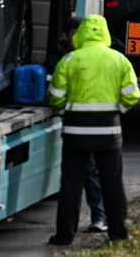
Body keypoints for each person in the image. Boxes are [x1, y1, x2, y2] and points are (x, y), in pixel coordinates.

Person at [47, 14, 140, 246]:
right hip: (108, 133)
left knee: (71, 184)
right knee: (112, 183)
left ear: (80, 34)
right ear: (105, 33)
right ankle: (118, 232)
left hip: (75, 132)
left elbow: (55, 97)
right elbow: (132, 95)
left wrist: (66, 107)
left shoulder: (69, 60)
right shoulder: (119, 60)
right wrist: (116, 109)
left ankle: (65, 235)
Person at [51, 15, 107, 234]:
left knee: (88, 174)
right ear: (65, 36)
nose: (76, 40)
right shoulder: (60, 57)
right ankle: (96, 219)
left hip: (80, 126)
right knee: (81, 177)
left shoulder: (71, 60)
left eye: (79, 35)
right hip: (83, 125)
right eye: (72, 35)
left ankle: (97, 217)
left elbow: (55, 93)